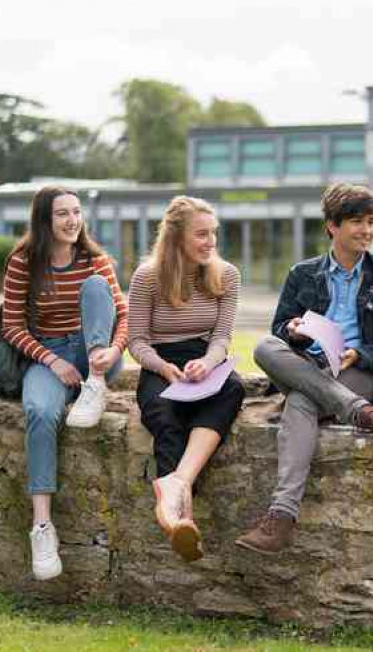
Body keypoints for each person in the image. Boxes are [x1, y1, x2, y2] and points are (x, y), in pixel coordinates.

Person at [234, 183, 373, 555]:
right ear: (332, 226)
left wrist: (361, 354)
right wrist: (293, 332)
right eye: (357, 222)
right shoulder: (303, 274)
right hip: (309, 363)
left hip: (356, 373)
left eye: (371, 222)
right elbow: (279, 329)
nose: (367, 230)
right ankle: (359, 414)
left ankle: (280, 520)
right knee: (264, 346)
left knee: (301, 401)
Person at [1, 185, 129, 581]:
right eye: (62, 214)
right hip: (49, 353)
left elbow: (122, 315)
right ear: (44, 219)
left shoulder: (95, 258)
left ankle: (95, 386)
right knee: (39, 411)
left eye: (76, 212)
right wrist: (52, 360)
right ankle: (42, 527)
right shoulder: (24, 261)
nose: (73, 220)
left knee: (96, 287)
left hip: (95, 352)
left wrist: (111, 351)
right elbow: (11, 326)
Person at [128, 196, 245, 562]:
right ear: (176, 236)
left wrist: (209, 363)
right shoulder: (147, 276)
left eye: (214, 234)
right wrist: (163, 368)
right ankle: (180, 516)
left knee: (233, 389)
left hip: (204, 363)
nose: (210, 242)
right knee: (166, 418)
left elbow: (223, 338)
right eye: (201, 234)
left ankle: (176, 487)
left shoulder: (226, 275)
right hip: (161, 365)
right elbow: (136, 341)